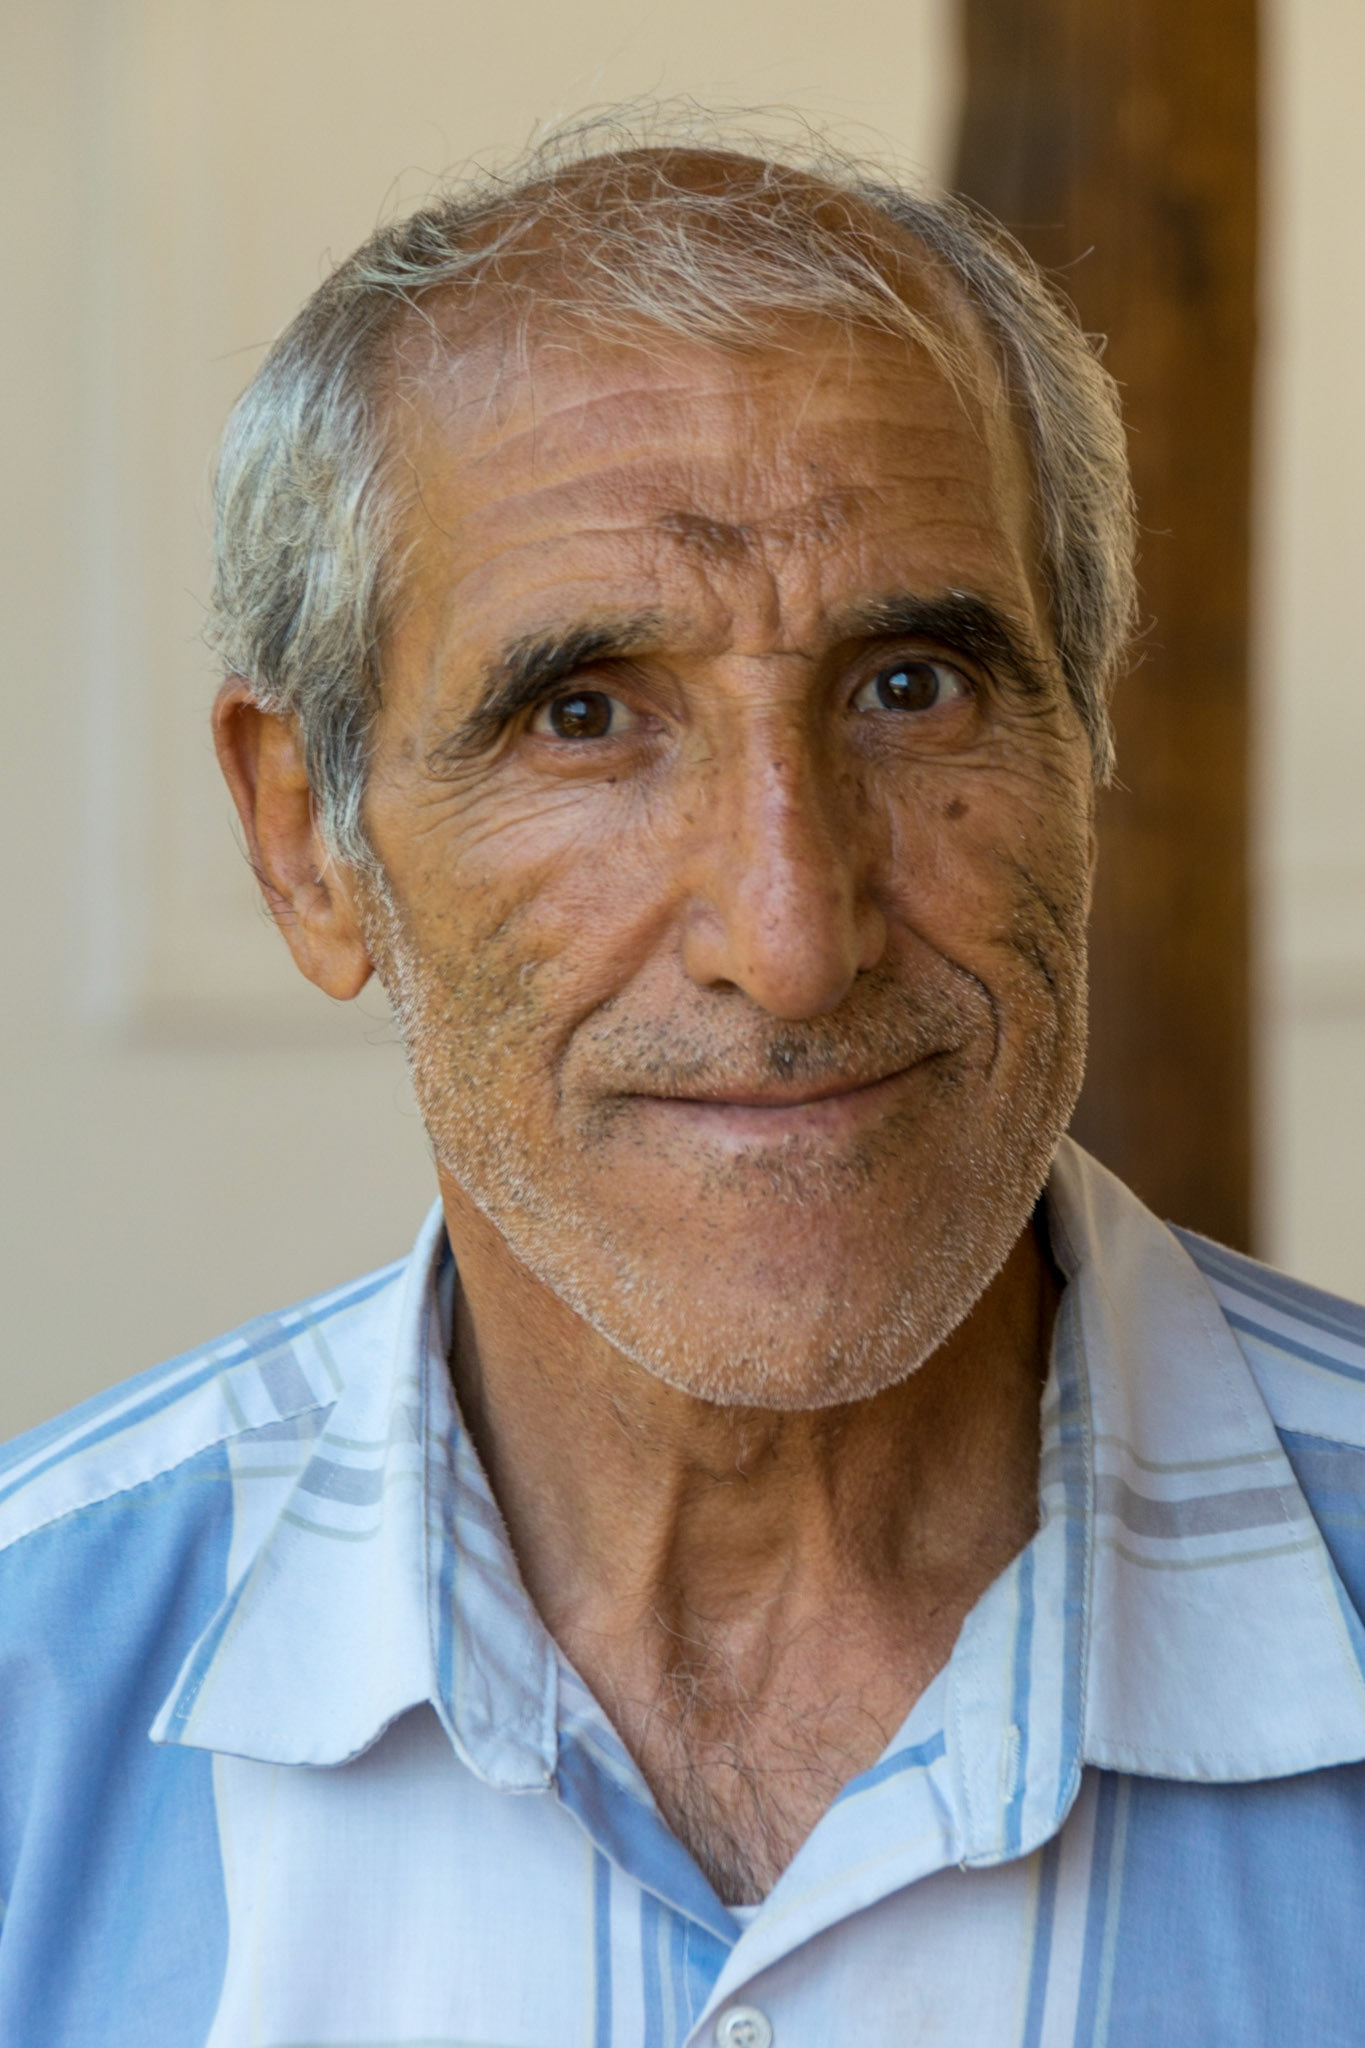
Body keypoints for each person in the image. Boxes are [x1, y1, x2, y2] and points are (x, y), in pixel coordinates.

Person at [3, 118, 1364, 2048]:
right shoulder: (31, 1700)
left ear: (1085, 744)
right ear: (308, 843)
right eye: (585, 717)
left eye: (910, 686)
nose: (792, 937)